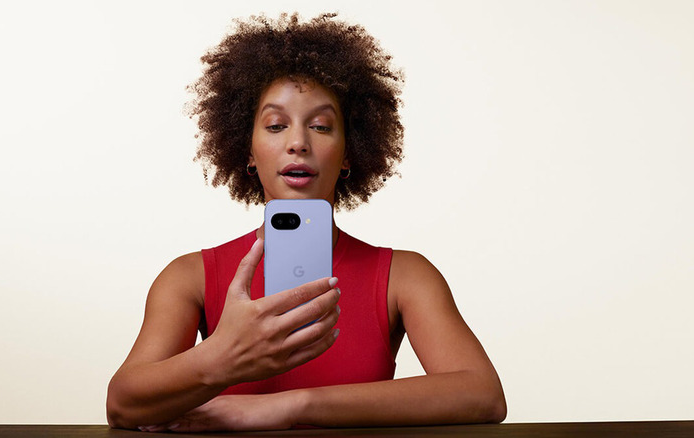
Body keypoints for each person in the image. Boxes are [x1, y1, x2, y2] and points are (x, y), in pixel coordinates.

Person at [106, 12, 506, 432]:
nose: (298, 142)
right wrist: (221, 357)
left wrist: (291, 406)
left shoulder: (404, 276)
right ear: (248, 150)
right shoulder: (189, 277)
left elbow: (483, 394)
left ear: (348, 153)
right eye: (276, 125)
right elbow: (122, 407)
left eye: (320, 126)